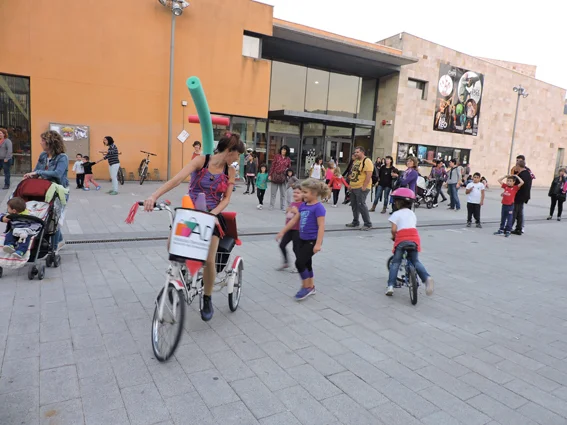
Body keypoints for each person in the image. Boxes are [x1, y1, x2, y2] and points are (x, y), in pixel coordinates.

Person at [144, 131, 245, 322]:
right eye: (237, 155)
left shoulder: (230, 171)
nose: (237, 159)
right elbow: (176, 179)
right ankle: (182, 276)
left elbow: (226, 199)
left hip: (212, 216)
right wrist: (154, 196)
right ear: (229, 150)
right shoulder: (201, 161)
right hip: (190, 213)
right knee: (172, 247)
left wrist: (212, 214)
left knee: (209, 260)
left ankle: (207, 297)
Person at [276, 179, 329, 301]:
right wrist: (283, 231)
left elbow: (321, 226)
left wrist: (318, 244)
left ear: (314, 193)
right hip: (302, 238)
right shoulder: (304, 206)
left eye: (305, 192)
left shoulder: (318, 207)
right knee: (307, 263)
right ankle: (311, 286)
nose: (303, 195)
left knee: (299, 263)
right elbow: (294, 221)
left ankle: (306, 287)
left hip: (312, 240)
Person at [23, 130, 69, 251]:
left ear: (50, 142)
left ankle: (54, 247)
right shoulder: (43, 155)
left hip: (58, 191)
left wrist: (38, 172)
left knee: (54, 219)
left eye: (43, 140)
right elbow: (36, 170)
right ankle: (59, 241)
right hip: (44, 189)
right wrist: (30, 176)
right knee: (45, 216)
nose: (40, 142)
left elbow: (58, 174)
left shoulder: (62, 157)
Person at [386, 188, 434, 297]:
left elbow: (394, 230)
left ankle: (390, 286)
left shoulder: (396, 214)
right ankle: (427, 278)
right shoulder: (412, 213)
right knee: (415, 261)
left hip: (401, 239)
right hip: (414, 238)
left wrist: (394, 237)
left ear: (397, 202)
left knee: (395, 263)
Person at [345, 147, 373, 231]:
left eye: (357, 152)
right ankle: (355, 221)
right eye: (355, 152)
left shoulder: (367, 161)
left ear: (362, 152)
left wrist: (364, 186)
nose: (355, 154)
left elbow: (369, 175)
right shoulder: (356, 161)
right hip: (354, 186)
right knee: (354, 205)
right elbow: (354, 173)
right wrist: (350, 185)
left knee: (361, 205)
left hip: (361, 187)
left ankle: (368, 224)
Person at [278, 184, 302, 271]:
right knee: (282, 245)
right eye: (294, 192)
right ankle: (286, 262)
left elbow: (304, 217)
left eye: (298, 193)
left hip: (297, 230)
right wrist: (287, 211)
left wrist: (297, 212)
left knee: (296, 249)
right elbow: (289, 216)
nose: (295, 194)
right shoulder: (292, 203)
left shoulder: (303, 205)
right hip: (289, 229)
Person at [510, 157, 532, 235]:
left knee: (515, 212)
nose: (515, 167)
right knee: (519, 213)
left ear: (518, 166)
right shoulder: (527, 173)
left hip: (519, 196)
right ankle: (518, 228)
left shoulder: (522, 175)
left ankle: (509, 227)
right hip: (524, 196)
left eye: (516, 166)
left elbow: (517, 185)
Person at [269, 145, 291, 211]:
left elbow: (289, 168)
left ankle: (282, 206)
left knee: (283, 194)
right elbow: (273, 166)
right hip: (275, 176)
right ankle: (271, 205)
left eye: (284, 150)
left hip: (283, 177)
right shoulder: (277, 156)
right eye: (282, 149)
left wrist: (289, 176)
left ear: (287, 151)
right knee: (273, 193)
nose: (283, 151)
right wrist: (270, 175)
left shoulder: (288, 159)